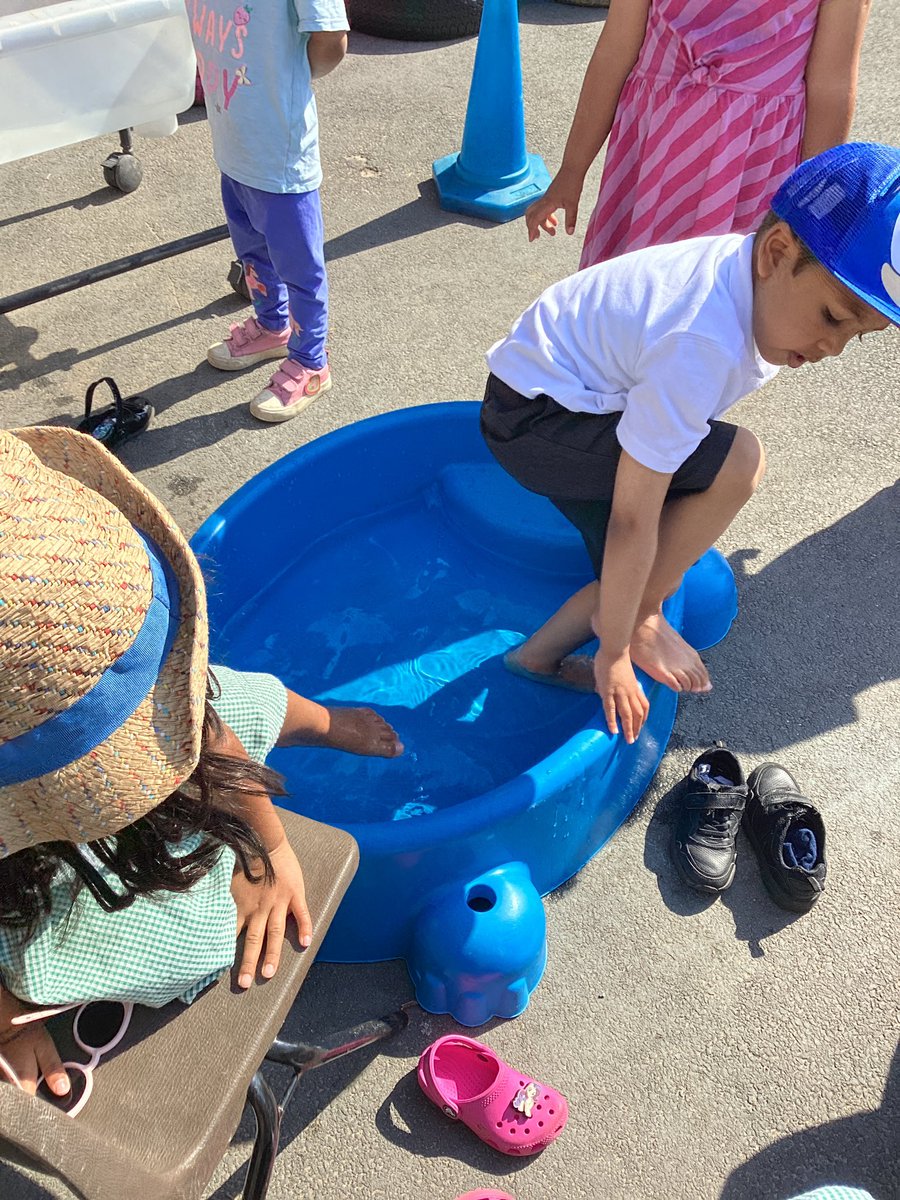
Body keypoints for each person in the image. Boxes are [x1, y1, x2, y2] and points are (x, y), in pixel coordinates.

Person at [0, 426, 400, 1098]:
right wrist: (11, 1021)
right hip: (25, 883)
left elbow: (204, 725)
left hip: (46, 752)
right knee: (205, 939)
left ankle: (323, 722)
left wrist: (268, 847)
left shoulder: (91, 647)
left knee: (218, 696)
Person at [482, 143, 900, 744]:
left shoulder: (749, 284)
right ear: (776, 252)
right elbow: (632, 517)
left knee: (652, 542)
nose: (836, 346)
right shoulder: (701, 342)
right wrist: (619, 649)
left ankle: (536, 658)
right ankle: (625, 620)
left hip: (566, 393)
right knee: (734, 467)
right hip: (537, 419)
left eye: (860, 333)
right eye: (835, 317)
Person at [525, 0, 871, 267]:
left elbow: (832, 86)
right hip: (650, 160)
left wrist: (812, 204)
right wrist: (572, 169)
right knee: (625, 300)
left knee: (723, 312)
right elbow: (615, 52)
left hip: (746, 172)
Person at [190, 1, 349, 422]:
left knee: (299, 269)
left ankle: (312, 362)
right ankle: (273, 325)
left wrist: (287, 77)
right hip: (234, 140)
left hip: (279, 150)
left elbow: (331, 40)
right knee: (251, 250)